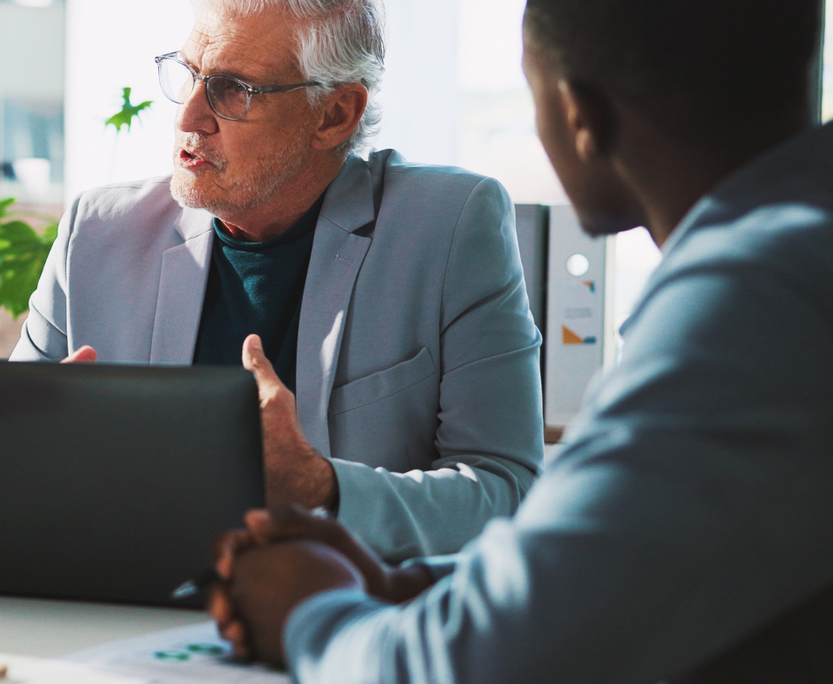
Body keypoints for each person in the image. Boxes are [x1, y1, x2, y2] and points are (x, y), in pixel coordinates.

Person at [208, 0, 833, 681]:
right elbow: (628, 563)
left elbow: (485, 665)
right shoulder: (797, 258)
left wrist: (312, 611)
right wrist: (412, 586)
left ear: (581, 119)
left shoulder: (747, 302)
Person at [13, 0, 542, 560]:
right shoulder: (97, 235)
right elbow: (0, 458)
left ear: (335, 114)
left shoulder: (449, 227)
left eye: (233, 88)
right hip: (128, 606)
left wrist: (321, 487)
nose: (189, 117)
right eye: (189, 76)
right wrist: (38, 451)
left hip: (351, 617)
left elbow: (506, 493)